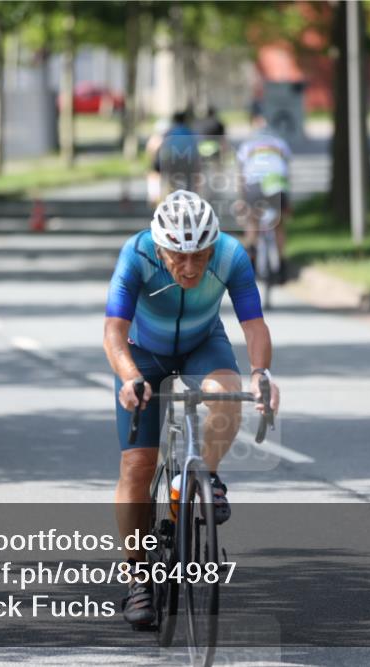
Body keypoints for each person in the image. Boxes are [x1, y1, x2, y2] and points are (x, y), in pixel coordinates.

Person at [103, 189, 280, 628]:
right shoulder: (136, 254)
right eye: (178, 257)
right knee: (137, 466)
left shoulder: (232, 255)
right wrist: (129, 377)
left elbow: (253, 324)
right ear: (159, 247)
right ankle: (138, 578)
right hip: (143, 352)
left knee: (228, 392)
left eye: (199, 256)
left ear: (212, 247)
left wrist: (262, 373)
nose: (189, 267)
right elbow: (113, 331)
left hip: (203, 343)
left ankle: (206, 477)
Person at [235, 106, 292, 282]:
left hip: (254, 185)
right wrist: (288, 202)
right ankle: (282, 267)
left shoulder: (246, 145)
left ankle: (251, 258)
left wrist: (242, 200)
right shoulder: (281, 143)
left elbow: (241, 177)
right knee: (279, 225)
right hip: (277, 183)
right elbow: (287, 173)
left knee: (252, 222)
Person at [149, 111, 200, 204]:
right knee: (191, 179)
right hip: (187, 161)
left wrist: (155, 160)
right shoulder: (190, 132)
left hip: (171, 161)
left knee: (168, 181)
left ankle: (165, 201)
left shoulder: (169, 131)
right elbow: (195, 149)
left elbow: (158, 146)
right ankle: (191, 200)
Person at [193, 106, 229, 200]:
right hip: (214, 150)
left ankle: (200, 193)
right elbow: (222, 140)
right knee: (216, 172)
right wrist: (224, 153)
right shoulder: (218, 123)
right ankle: (215, 192)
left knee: (201, 173)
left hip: (201, 151)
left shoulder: (199, 123)